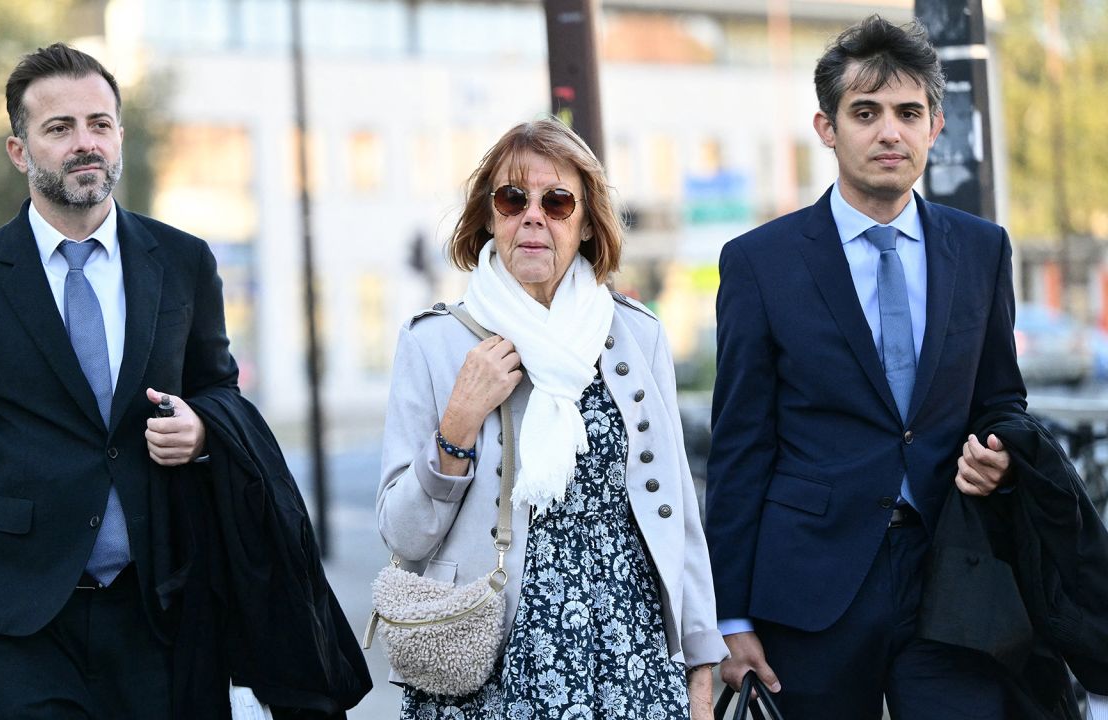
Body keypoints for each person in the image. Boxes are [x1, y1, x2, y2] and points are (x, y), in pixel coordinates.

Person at [705, 15, 1026, 718]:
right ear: (827, 128)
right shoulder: (762, 263)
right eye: (866, 113)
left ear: (935, 126)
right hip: (810, 588)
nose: (890, 133)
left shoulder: (981, 250)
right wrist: (728, 618)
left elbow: (1002, 400)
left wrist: (999, 450)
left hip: (953, 578)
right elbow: (739, 447)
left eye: (909, 113)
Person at [0, 43, 241, 718]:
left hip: (163, 607)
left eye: (99, 123)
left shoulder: (183, 261)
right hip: (18, 618)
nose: (84, 143)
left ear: (119, 136)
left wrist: (203, 427)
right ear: (19, 150)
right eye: (59, 129)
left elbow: (221, 392)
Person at [377, 117, 726, 719]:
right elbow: (403, 535)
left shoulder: (634, 335)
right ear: (489, 217)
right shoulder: (434, 343)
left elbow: (677, 511)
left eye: (557, 201)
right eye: (513, 199)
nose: (533, 216)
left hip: (629, 652)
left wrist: (700, 663)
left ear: (586, 221)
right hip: (488, 656)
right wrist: (458, 425)